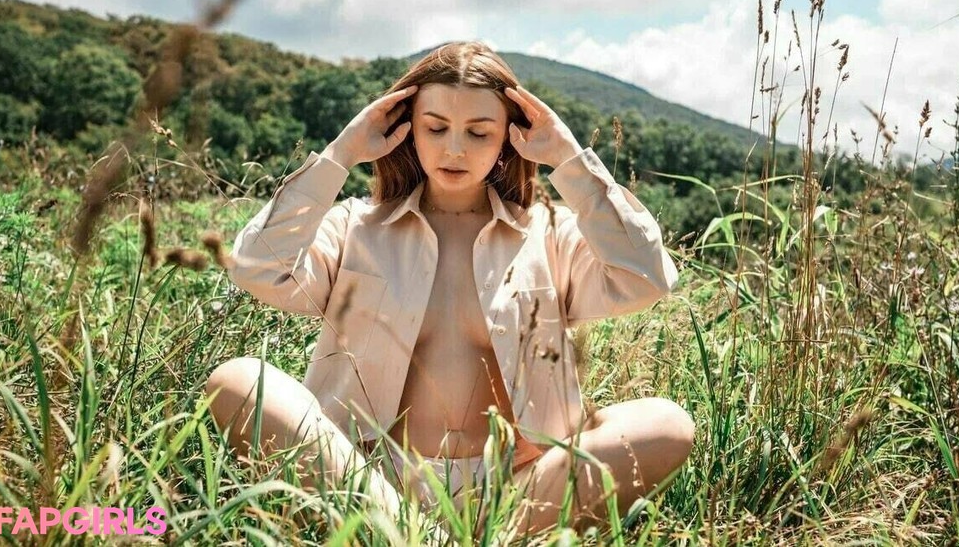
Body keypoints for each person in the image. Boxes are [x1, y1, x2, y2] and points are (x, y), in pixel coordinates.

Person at [205, 41, 694, 536]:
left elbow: (646, 277)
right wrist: (341, 154)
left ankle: (435, 539)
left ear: (508, 137)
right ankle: (418, 537)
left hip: (519, 489)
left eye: (479, 132)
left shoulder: (549, 233)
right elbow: (255, 268)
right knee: (238, 381)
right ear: (408, 129)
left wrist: (568, 159)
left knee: (666, 425)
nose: (454, 148)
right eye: (435, 128)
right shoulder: (355, 226)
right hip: (366, 480)